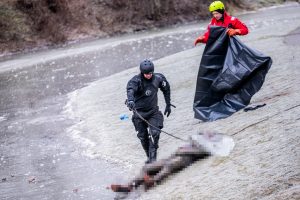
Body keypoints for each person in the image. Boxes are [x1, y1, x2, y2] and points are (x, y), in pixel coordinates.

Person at [110, 132, 234, 193]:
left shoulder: (209, 147)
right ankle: (130, 186)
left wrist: (199, 143)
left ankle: (154, 181)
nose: (208, 133)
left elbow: (203, 152)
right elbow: (193, 137)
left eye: (210, 134)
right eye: (208, 133)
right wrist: (196, 140)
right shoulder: (197, 138)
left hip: (186, 159)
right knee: (147, 167)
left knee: (170, 165)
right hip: (173, 155)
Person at [126, 59, 174, 163]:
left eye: (150, 73)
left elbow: (166, 89)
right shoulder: (135, 81)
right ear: (142, 72)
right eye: (146, 74)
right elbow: (130, 90)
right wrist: (130, 100)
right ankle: (149, 158)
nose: (148, 75)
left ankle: (153, 160)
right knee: (143, 138)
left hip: (153, 112)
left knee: (155, 133)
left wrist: (168, 104)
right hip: (139, 114)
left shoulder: (159, 78)